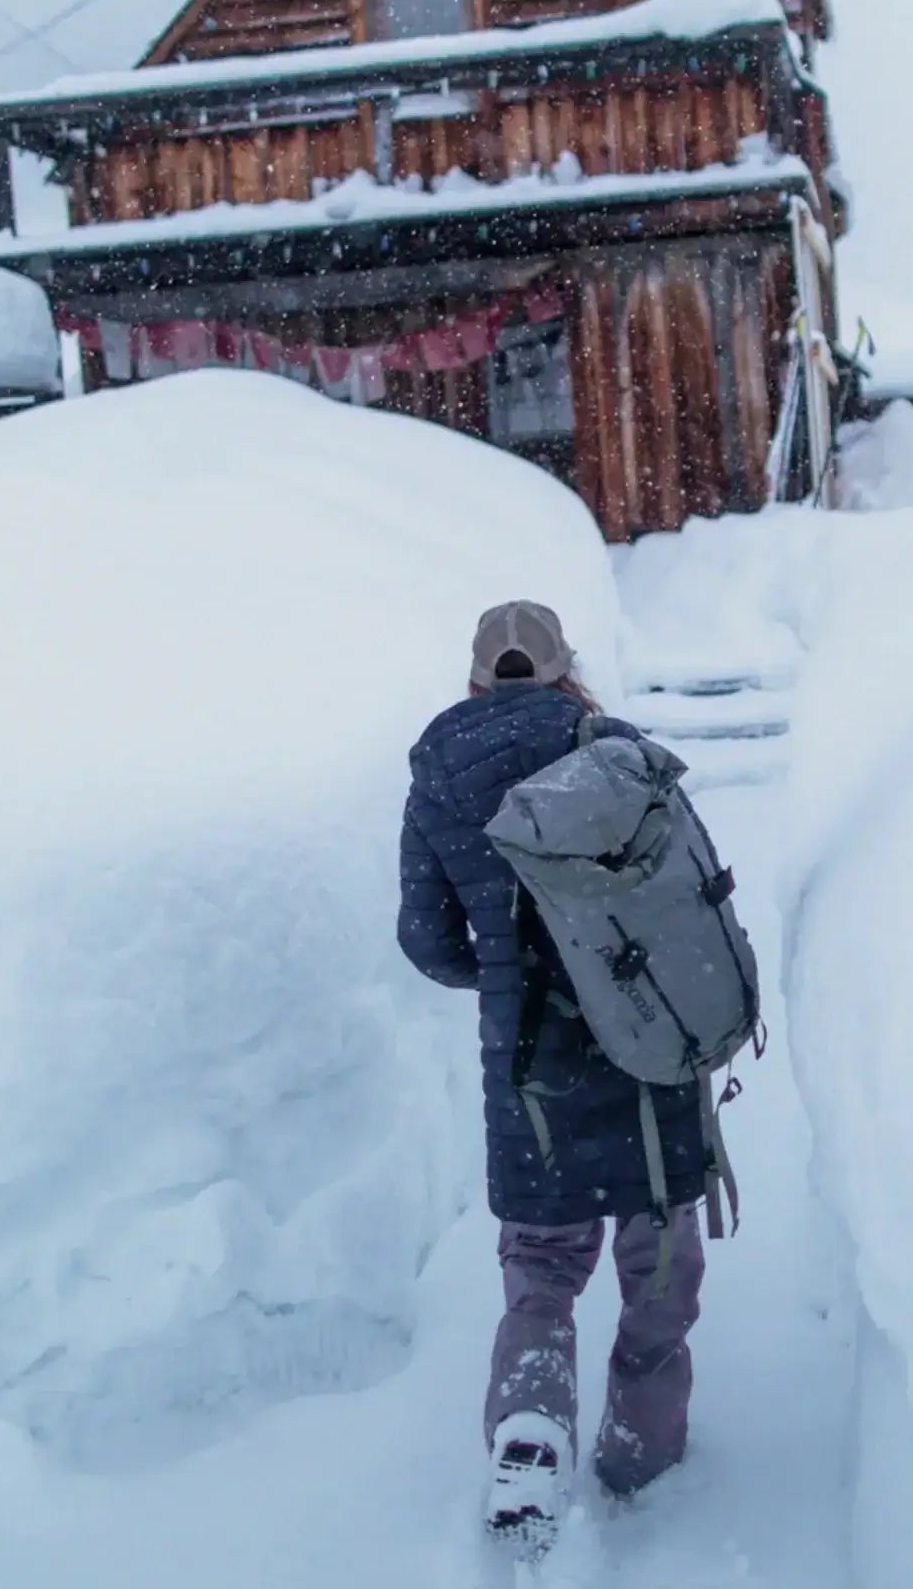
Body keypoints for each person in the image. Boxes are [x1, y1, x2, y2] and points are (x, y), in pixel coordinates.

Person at [396, 600, 716, 1546]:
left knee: (541, 1265)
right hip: (649, 1043)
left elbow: (425, 937)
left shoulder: (438, 771)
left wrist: (498, 966)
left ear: (476, 677)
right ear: (566, 669)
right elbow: (690, 888)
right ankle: (641, 1447)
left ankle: (532, 1423)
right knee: (657, 1248)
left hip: (527, 1063)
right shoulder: (610, 745)